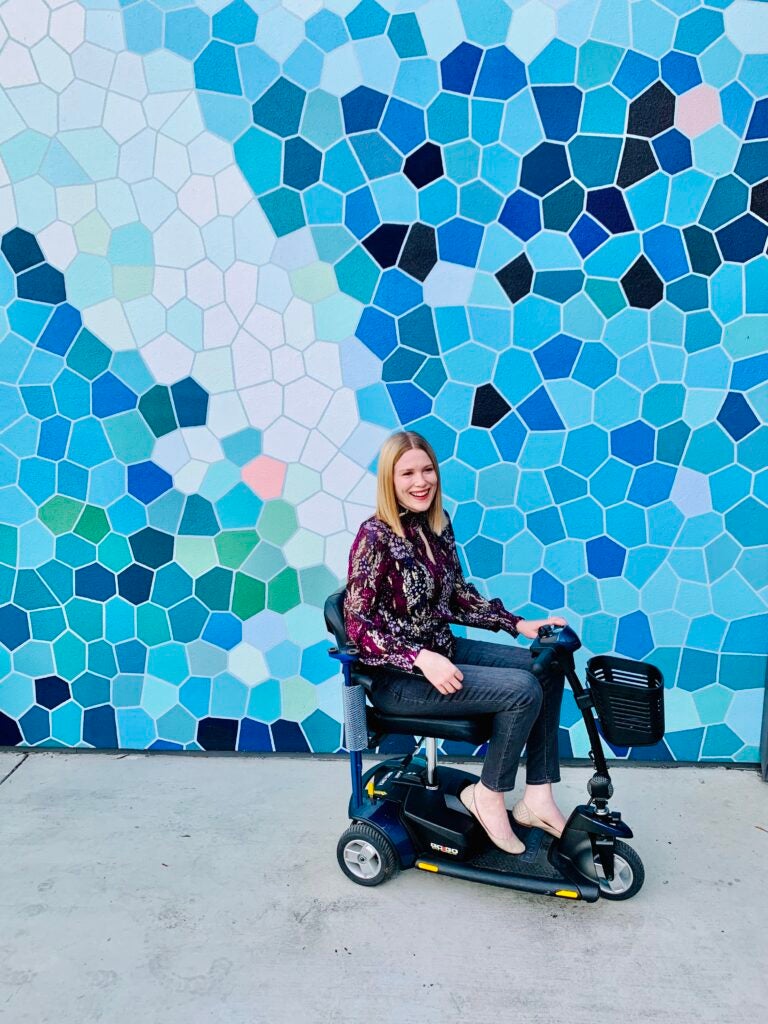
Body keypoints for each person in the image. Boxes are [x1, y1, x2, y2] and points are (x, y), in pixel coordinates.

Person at [344, 430, 568, 855]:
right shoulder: (373, 538)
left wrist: (517, 623)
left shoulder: (437, 523)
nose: (420, 481)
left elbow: (457, 595)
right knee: (522, 691)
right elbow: (357, 626)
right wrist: (418, 657)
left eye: (427, 469)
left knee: (547, 664)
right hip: (399, 680)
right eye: (407, 473)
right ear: (389, 481)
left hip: (443, 650)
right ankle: (488, 793)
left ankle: (537, 798)